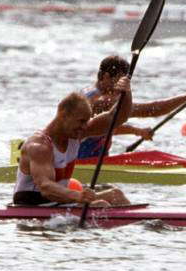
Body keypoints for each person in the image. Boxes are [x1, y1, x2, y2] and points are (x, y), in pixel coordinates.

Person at [14, 78, 135, 207]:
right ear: (63, 115)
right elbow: (46, 188)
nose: (84, 127)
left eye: (86, 121)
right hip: (33, 205)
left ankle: (139, 223)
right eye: (81, 121)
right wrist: (78, 196)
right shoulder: (39, 146)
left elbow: (115, 118)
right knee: (100, 205)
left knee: (115, 195)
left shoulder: (76, 134)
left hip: (58, 203)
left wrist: (126, 93)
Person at [77, 55, 186, 159]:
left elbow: (102, 127)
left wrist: (137, 131)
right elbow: (152, 110)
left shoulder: (87, 92)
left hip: (84, 160)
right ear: (106, 77)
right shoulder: (101, 101)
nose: (121, 87)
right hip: (83, 163)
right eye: (120, 81)